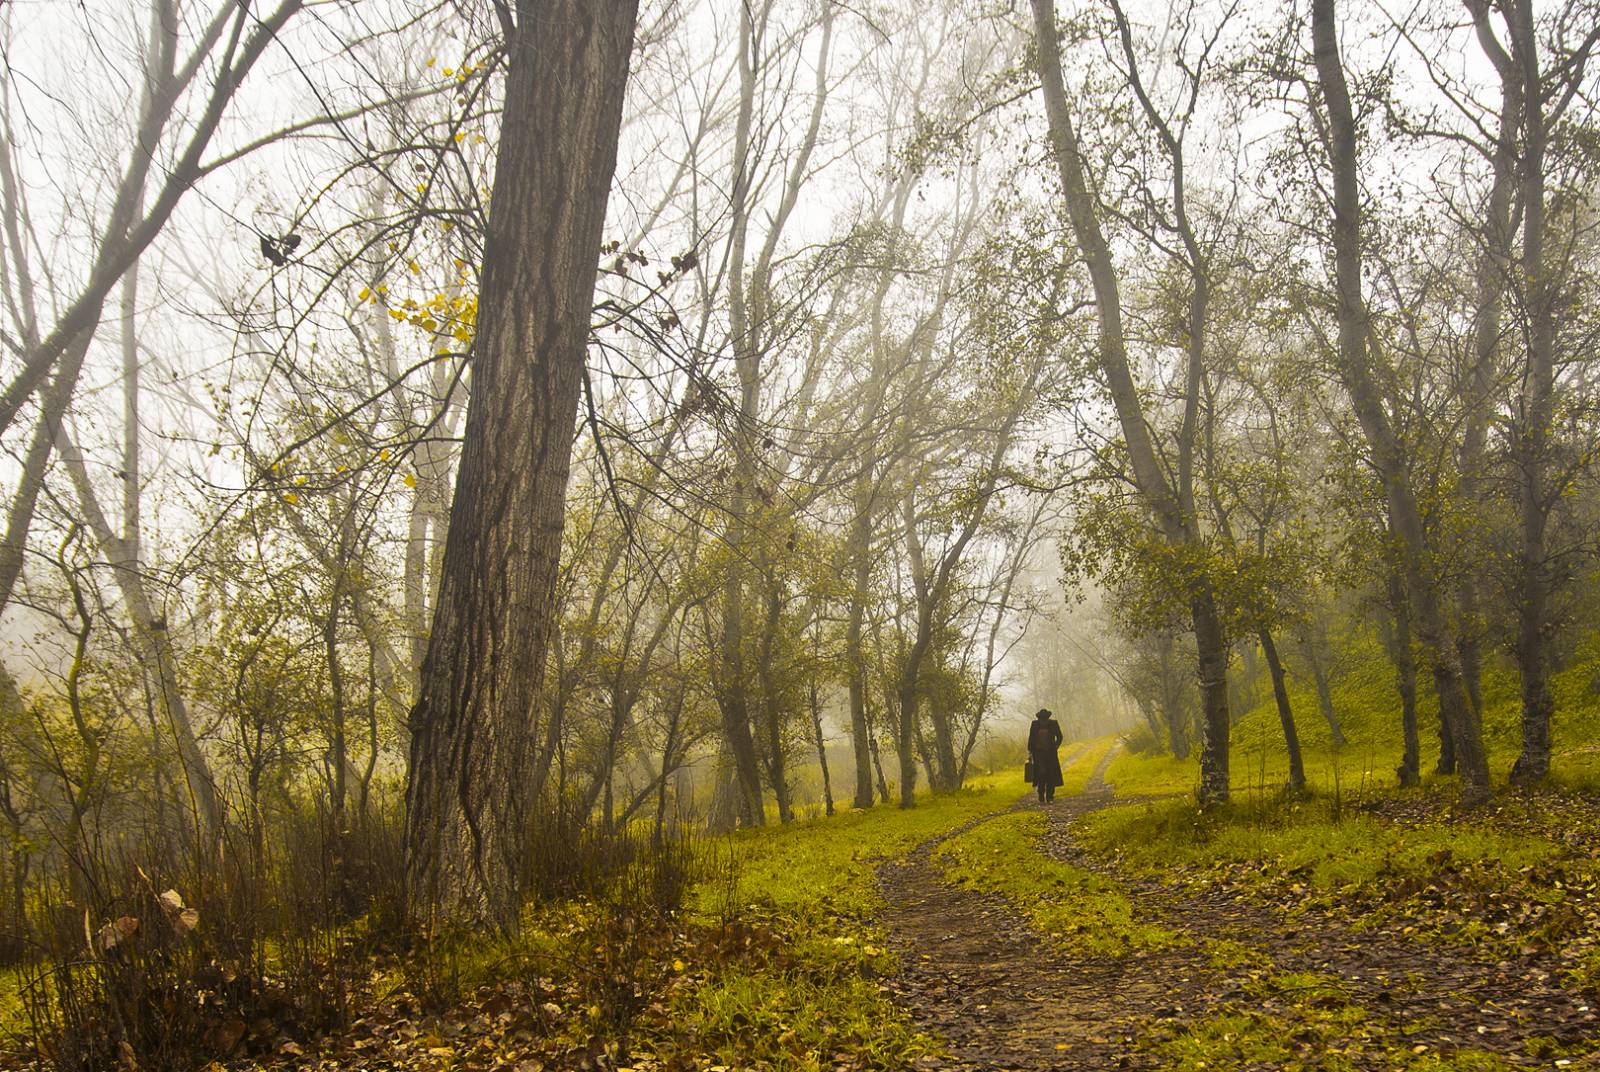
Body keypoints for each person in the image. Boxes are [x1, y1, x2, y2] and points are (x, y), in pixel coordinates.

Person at [1027, 708, 1064, 803]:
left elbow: (1060, 737)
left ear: (1048, 718)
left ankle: (1050, 796)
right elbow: (1031, 739)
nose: (1043, 721)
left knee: (1051, 774)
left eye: (1045, 719)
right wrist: (1030, 752)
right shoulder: (1034, 725)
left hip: (1050, 753)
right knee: (1041, 773)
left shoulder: (1053, 724)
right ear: (1039, 719)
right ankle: (1041, 793)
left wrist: (1055, 746)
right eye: (1042, 719)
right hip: (1038, 754)